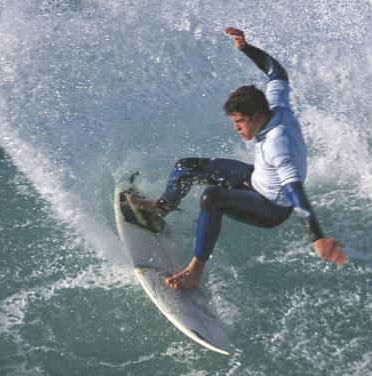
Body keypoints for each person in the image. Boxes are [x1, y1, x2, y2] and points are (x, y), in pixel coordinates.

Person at [130, 26, 346, 290]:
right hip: (254, 178)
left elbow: (295, 190)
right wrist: (246, 48)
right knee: (186, 167)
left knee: (212, 198)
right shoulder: (275, 105)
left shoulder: (278, 144)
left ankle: (195, 271)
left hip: (270, 207)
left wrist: (317, 237)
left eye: (240, 122)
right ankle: (162, 207)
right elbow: (276, 70)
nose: (237, 128)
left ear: (256, 117)